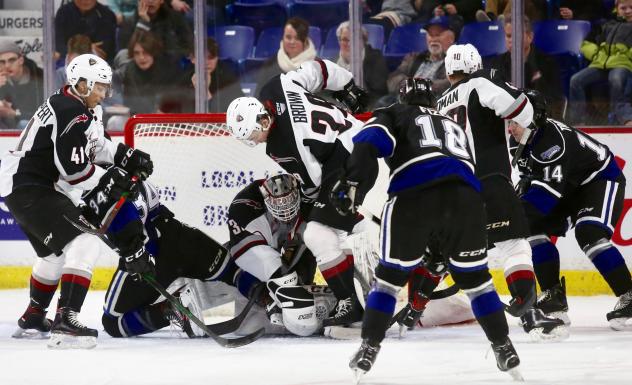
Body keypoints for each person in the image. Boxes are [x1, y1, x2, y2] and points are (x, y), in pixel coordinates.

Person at [335, 78, 521, 381]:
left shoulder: (396, 113)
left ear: (403, 98)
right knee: (477, 282)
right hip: (468, 200)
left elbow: (368, 141)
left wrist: (353, 183)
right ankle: (504, 347)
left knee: (389, 279)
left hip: (414, 195)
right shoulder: (452, 124)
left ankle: (369, 347)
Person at [2, 54, 153, 348]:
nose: (103, 94)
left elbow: (96, 145)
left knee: (53, 255)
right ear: (81, 83)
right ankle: (66, 320)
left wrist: (125, 156)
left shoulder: (76, 105)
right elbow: (73, 172)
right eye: (98, 87)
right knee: (84, 241)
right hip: (30, 188)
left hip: (22, 186)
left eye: (105, 88)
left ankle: (34, 315)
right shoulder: (71, 110)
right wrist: (112, 180)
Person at [226, 59, 370, 328]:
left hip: (350, 162)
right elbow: (319, 69)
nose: (255, 141)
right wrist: (347, 85)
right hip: (357, 136)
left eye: (254, 135)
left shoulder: (284, 145)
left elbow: (315, 183)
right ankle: (358, 292)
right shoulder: (274, 88)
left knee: (317, 232)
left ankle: (351, 301)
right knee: (328, 225)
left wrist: (307, 208)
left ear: (260, 123)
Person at [436, 44, 565, 340]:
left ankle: (412, 310)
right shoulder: (480, 83)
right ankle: (530, 313)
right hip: (488, 178)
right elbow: (519, 109)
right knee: (514, 246)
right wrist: (530, 106)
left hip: (450, 192)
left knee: (448, 258)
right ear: (475, 65)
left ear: (448, 69)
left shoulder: (439, 101)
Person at [73, 166, 250, 338]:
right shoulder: (122, 162)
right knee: (234, 273)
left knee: (113, 323)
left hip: (149, 253)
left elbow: (127, 220)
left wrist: (133, 251)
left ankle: (171, 310)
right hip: (179, 235)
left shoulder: (98, 183)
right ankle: (266, 299)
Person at [510, 89, 632, 331]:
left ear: (532, 119)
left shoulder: (552, 143)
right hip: (569, 186)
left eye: (515, 121)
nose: (510, 128)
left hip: (600, 179)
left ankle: (629, 294)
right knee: (534, 229)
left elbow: (542, 200)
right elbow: (531, 188)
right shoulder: (520, 142)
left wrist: (505, 224)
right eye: (510, 120)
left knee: (589, 233)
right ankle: (553, 299)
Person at [568, 0, 632, 125]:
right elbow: (586, 43)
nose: (628, 11)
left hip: (623, 64)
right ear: (617, 9)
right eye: (623, 8)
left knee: (616, 79)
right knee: (576, 80)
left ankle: (623, 119)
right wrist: (596, 55)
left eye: (631, 7)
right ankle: (578, 122)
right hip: (601, 64)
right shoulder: (607, 25)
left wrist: (624, 54)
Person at [489, 14, 565, 119]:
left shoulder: (547, 64)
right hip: (506, 122)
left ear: (530, 37)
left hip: (539, 121)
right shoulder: (496, 64)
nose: (511, 40)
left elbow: (554, 100)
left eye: (516, 36)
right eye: (508, 36)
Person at [379, 15, 456, 107]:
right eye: (430, 35)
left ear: (451, 38)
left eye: (438, 35)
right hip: (405, 101)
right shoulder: (413, 57)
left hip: (433, 103)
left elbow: (449, 83)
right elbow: (393, 79)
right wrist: (411, 86)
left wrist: (417, 86)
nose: (433, 39)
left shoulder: (455, 61)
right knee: (383, 102)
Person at [113, 30, 182, 115]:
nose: (141, 57)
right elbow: (131, 103)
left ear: (153, 52)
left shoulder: (167, 70)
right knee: (115, 121)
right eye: (137, 53)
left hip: (164, 120)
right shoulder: (129, 70)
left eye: (145, 52)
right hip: (137, 117)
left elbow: (173, 103)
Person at [177, 37, 244, 113]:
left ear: (217, 58)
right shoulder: (185, 77)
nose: (207, 62)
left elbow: (236, 114)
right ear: (192, 59)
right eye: (202, 58)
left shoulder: (227, 77)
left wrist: (205, 91)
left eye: (211, 58)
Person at [254, 17, 317, 93]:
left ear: (305, 41)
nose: (292, 42)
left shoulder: (316, 67)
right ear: (283, 38)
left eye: (297, 38)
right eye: (288, 37)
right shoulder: (270, 64)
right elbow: (259, 94)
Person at [334, 21, 389, 108]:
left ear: (364, 41)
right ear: (339, 42)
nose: (349, 44)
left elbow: (379, 93)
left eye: (354, 40)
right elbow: (326, 92)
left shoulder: (375, 58)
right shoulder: (332, 62)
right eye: (345, 40)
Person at [0, 41, 44, 130]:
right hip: (5, 128)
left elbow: (42, 113)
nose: (7, 66)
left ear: (21, 60)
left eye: (11, 60)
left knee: (23, 124)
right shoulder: (1, 79)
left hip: (31, 128)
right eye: (2, 62)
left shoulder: (37, 78)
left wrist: (14, 113)